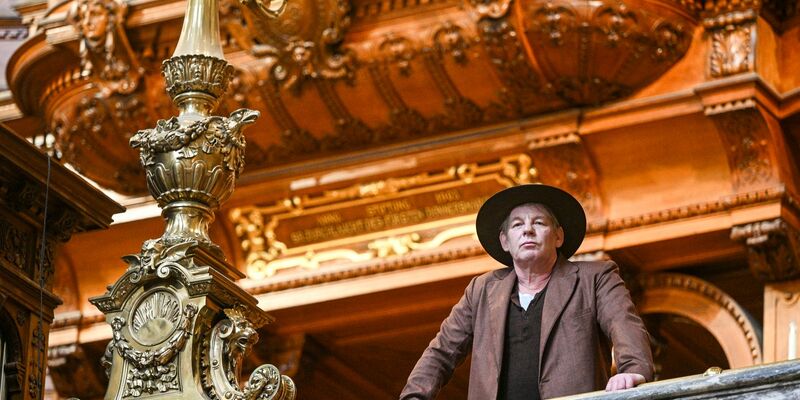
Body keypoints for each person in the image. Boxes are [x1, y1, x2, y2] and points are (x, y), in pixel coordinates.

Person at [400, 184, 654, 399]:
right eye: (517, 225)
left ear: (558, 236)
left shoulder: (595, 277)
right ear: (505, 242)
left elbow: (624, 324)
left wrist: (633, 369)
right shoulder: (481, 290)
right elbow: (442, 351)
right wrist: (414, 395)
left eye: (539, 222)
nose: (528, 230)